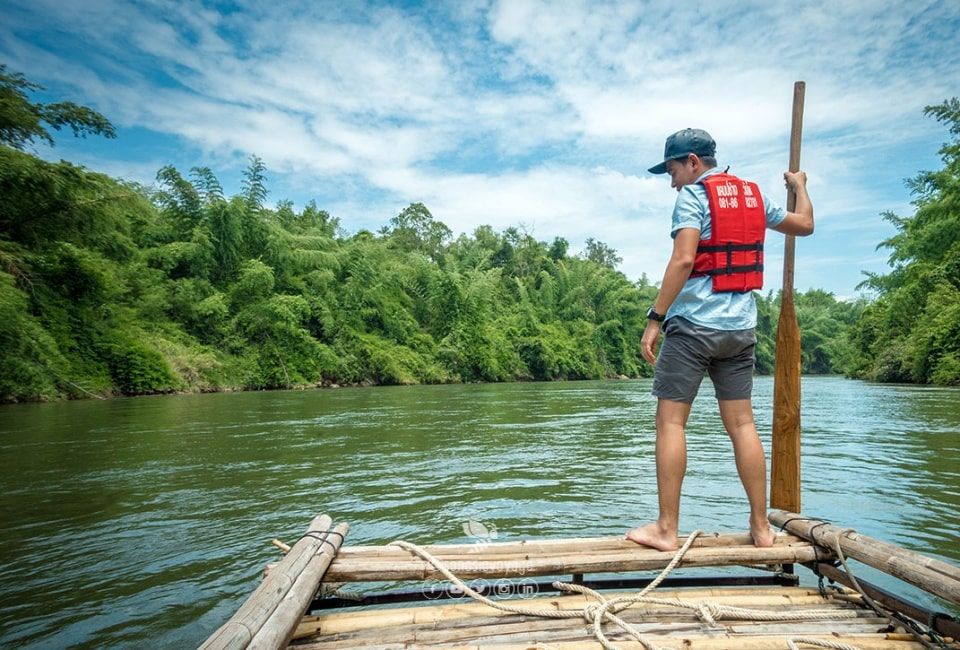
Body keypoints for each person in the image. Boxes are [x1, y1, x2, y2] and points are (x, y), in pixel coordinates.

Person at [626, 128, 814, 551]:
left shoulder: (693, 196)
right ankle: (762, 528)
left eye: (672, 169)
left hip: (693, 327)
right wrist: (800, 188)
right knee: (743, 425)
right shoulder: (753, 196)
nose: (671, 180)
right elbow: (804, 224)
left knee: (670, 423)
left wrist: (655, 318)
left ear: (693, 162)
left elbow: (685, 258)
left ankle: (666, 529)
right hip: (740, 330)